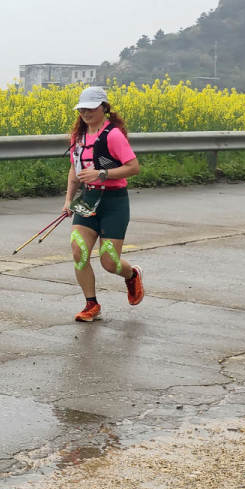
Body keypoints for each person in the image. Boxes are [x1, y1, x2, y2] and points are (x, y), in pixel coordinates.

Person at [62, 86, 144, 322]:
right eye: (82, 109)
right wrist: (68, 200)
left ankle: (131, 275)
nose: (86, 113)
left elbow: (134, 167)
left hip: (113, 202)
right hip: (87, 200)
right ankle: (91, 304)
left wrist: (103, 174)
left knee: (109, 261)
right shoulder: (78, 138)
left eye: (91, 108)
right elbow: (74, 171)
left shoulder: (114, 135)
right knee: (78, 251)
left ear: (104, 108)